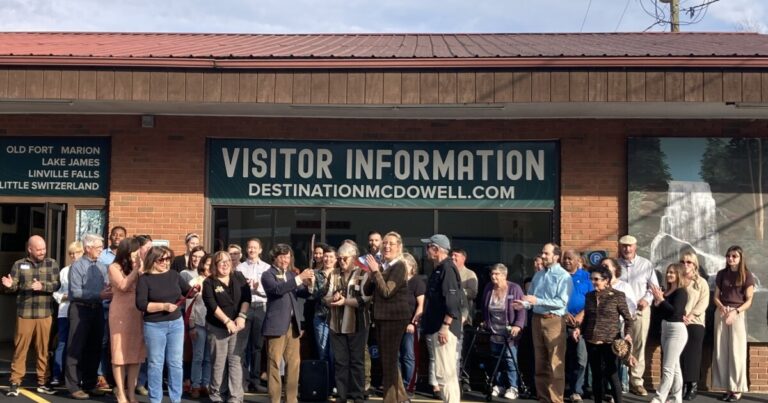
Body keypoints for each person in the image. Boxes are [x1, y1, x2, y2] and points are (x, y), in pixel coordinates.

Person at [512, 242, 571, 403]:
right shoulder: (538, 275)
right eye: (543, 253)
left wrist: (536, 301)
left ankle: (556, 400)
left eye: (546, 253)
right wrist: (523, 304)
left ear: (556, 256)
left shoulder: (563, 276)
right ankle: (543, 398)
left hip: (554, 320)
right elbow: (531, 298)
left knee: (555, 363)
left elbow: (561, 302)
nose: (543, 256)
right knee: (540, 363)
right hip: (537, 319)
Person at [2, 235, 60, 397]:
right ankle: (15, 382)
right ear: (30, 249)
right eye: (39, 249)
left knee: (43, 349)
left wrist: (43, 286)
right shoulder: (19, 264)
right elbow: (13, 286)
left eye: (44, 249)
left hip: (44, 314)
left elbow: (57, 284)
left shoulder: (52, 263)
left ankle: (43, 382)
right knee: (21, 348)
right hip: (25, 314)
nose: (42, 252)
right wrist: (9, 286)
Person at [136, 246, 195, 403]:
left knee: (176, 363)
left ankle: (176, 399)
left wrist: (195, 289)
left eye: (168, 259)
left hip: (176, 323)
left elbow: (188, 292)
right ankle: (155, 399)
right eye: (162, 259)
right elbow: (141, 304)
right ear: (152, 260)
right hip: (154, 325)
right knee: (155, 363)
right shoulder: (145, 279)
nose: (166, 262)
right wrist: (163, 306)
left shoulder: (174, 275)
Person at [261, 243, 315, 403]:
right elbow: (278, 290)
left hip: (293, 326)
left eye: (288, 257)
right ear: (274, 258)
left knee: (294, 364)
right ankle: (275, 400)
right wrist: (300, 278)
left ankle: (291, 399)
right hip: (276, 326)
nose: (285, 260)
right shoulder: (267, 275)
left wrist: (310, 285)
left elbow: (302, 293)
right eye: (282, 257)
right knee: (274, 364)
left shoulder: (291, 275)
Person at [573, 265, 632, 403]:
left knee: (611, 373)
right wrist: (579, 329)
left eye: (596, 279)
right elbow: (587, 317)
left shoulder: (617, 296)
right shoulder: (589, 296)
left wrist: (628, 334)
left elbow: (628, 319)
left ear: (606, 280)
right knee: (596, 374)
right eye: (592, 279)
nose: (593, 282)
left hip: (610, 341)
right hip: (591, 340)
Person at [364, 231, 411, 403]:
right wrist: (372, 274)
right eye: (385, 243)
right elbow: (367, 291)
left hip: (394, 318)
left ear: (399, 247)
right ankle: (401, 397)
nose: (387, 246)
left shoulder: (399, 266)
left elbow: (387, 291)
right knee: (388, 359)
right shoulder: (384, 266)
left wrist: (376, 272)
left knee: (389, 361)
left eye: (391, 243)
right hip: (381, 318)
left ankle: (390, 399)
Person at [324, 242, 372, 403]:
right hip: (336, 324)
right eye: (339, 258)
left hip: (357, 324)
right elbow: (325, 297)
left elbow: (365, 299)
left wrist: (345, 301)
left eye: (345, 258)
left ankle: (358, 395)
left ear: (354, 258)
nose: (341, 261)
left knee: (357, 361)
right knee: (340, 362)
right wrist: (333, 299)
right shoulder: (334, 274)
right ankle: (342, 395)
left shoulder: (363, 274)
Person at [66, 233, 112, 400]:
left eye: (101, 247)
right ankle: (73, 386)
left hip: (97, 309)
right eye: (98, 247)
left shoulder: (102, 266)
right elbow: (75, 292)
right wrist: (98, 294)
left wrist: (108, 291)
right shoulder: (77, 266)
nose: (101, 250)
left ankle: (90, 384)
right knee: (76, 348)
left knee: (95, 347)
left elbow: (106, 285)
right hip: (80, 310)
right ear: (87, 248)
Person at [203, 250, 251, 403]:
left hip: (238, 327)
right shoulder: (209, 282)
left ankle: (235, 397)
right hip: (217, 327)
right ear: (215, 265)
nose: (225, 264)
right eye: (221, 261)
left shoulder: (239, 276)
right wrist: (227, 321)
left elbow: (247, 297)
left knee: (235, 361)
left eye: (228, 261)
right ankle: (217, 395)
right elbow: (212, 305)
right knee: (219, 362)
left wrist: (241, 316)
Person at [420, 234, 462, 403]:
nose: (426, 251)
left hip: (443, 329)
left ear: (436, 249)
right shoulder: (439, 268)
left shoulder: (447, 269)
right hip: (436, 327)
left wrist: (445, 326)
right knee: (443, 373)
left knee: (446, 375)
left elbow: (452, 301)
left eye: (428, 247)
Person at [616, 234, 658, 396]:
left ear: (635, 246)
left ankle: (636, 381)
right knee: (621, 345)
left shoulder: (645, 264)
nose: (627, 249)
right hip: (620, 312)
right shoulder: (616, 265)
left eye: (630, 246)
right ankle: (621, 381)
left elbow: (653, 288)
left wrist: (646, 299)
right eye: (624, 246)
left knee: (639, 345)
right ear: (620, 247)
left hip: (640, 311)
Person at [712, 246, 754, 402]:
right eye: (728, 256)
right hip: (721, 312)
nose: (731, 258)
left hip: (737, 313)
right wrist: (721, 307)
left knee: (737, 351)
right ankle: (726, 387)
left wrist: (735, 312)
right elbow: (716, 296)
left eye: (734, 256)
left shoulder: (747, 275)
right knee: (721, 351)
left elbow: (749, 300)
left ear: (740, 258)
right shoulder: (721, 274)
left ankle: (737, 388)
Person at [108, 238, 147, 403]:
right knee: (119, 353)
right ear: (127, 252)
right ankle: (120, 393)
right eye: (135, 251)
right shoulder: (113, 267)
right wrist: (136, 270)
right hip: (120, 313)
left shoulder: (138, 266)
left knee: (135, 354)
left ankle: (131, 393)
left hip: (137, 313)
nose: (137, 254)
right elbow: (123, 285)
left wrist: (141, 269)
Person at [482, 263, 526, 400]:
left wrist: (518, 325)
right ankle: (499, 384)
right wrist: (485, 322)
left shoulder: (514, 288)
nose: (493, 276)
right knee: (496, 359)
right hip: (494, 331)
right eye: (492, 273)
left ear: (504, 275)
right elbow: (484, 307)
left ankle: (513, 387)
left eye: (496, 274)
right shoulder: (488, 288)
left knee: (509, 359)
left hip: (509, 332)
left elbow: (521, 309)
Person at [649, 263, 688, 403]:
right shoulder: (666, 291)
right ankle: (676, 398)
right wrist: (657, 302)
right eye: (668, 272)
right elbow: (661, 312)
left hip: (676, 331)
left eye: (672, 272)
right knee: (674, 367)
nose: (669, 274)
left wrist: (661, 300)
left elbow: (675, 312)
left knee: (667, 368)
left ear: (679, 275)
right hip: (665, 328)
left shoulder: (681, 292)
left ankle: (659, 398)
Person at [235, 238, 270, 392]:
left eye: (255, 247)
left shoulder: (267, 268)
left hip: (261, 307)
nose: (252, 250)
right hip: (245, 308)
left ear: (260, 250)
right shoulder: (240, 268)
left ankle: (255, 380)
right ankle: (242, 380)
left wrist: (258, 288)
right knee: (242, 346)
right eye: (250, 247)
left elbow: (270, 290)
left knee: (257, 346)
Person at [600, 257, 637, 395]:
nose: (604, 268)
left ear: (615, 269)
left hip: (618, 326)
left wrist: (622, 322)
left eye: (606, 266)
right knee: (602, 360)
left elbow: (631, 307)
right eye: (602, 266)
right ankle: (603, 390)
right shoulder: (599, 286)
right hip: (602, 327)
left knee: (615, 359)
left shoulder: (624, 287)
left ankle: (616, 390)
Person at [52, 241, 83, 387]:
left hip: (80, 312)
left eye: (76, 252)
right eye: (71, 253)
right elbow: (56, 292)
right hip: (64, 311)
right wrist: (63, 296)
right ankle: (57, 374)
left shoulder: (87, 270)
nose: (73, 256)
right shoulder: (64, 271)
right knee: (62, 342)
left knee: (78, 343)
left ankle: (76, 376)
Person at [562, 250, 592, 403]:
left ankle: (576, 391)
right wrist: (564, 312)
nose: (566, 261)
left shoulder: (586, 277)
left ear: (577, 260)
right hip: (561, 322)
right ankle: (562, 389)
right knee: (562, 358)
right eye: (564, 258)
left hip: (581, 325)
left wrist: (582, 314)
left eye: (570, 258)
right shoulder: (559, 276)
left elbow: (592, 299)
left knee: (580, 359)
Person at [679, 251, 709, 400]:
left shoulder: (701, 282)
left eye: (689, 262)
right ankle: (681, 385)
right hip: (679, 322)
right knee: (680, 355)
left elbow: (704, 302)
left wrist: (691, 315)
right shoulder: (678, 280)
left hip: (695, 323)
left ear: (695, 265)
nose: (685, 264)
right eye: (683, 262)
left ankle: (692, 385)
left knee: (692, 355)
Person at [313, 245, 338, 392]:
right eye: (326, 256)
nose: (328, 259)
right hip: (321, 316)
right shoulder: (316, 274)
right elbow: (314, 294)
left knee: (334, 353)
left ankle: (335, 385)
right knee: (322, 352)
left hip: (337, 317)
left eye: (331, 257)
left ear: (336, 259)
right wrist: (326, 299)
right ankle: (325, 386)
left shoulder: (340, 273)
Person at [399, 252, 425, 394]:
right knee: (396, 356)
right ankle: (397, 385)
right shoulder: (398, 281)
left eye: (404, 265)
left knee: (408, 355)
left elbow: (421, 305)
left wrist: (413, 323)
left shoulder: (417, 282)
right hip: (396, 324)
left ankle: (409, 385)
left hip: (410, 325)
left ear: (412, 266)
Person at [188, 253, 212, 398]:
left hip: (212, 325)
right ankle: (195, 385)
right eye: (208, 264)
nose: (210, 266)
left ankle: (206, 384)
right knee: (198, 357)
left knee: (209, 357)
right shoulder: (195, 282)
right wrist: (191, 326)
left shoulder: (216, 281)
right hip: (198, 324)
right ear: (203, 265)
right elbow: (189, 306)